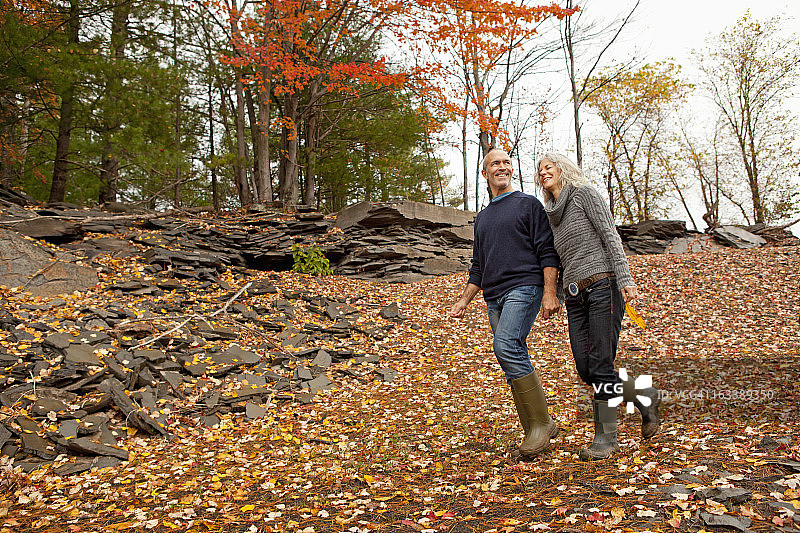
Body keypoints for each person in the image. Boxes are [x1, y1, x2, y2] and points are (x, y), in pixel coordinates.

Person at [535, 152, 660, 461]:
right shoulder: (550, 213)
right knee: (586, 368)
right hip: (575, 296)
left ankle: (606, 437)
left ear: (563, 169)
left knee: (601, 365)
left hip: (603, 285)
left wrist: (625, 278)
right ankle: (644, 397)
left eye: (547, 167)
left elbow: (609, 235)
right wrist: (556, 297)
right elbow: (559, 261)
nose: (542, 173)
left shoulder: (584, 194)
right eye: (539, 170)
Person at [450, 148, 561, 459]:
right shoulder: (483, 218)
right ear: (485, 174)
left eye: (506, 163)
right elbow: (478, 265)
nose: (502, 167)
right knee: (512, 355)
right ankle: (540, 426)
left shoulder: (528, 204)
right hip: (493, 296)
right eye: (494, 164)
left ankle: (539, 425)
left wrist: (550, 293)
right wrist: (464, 300)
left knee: (506, 346)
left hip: (524, 287)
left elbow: (547, 251)